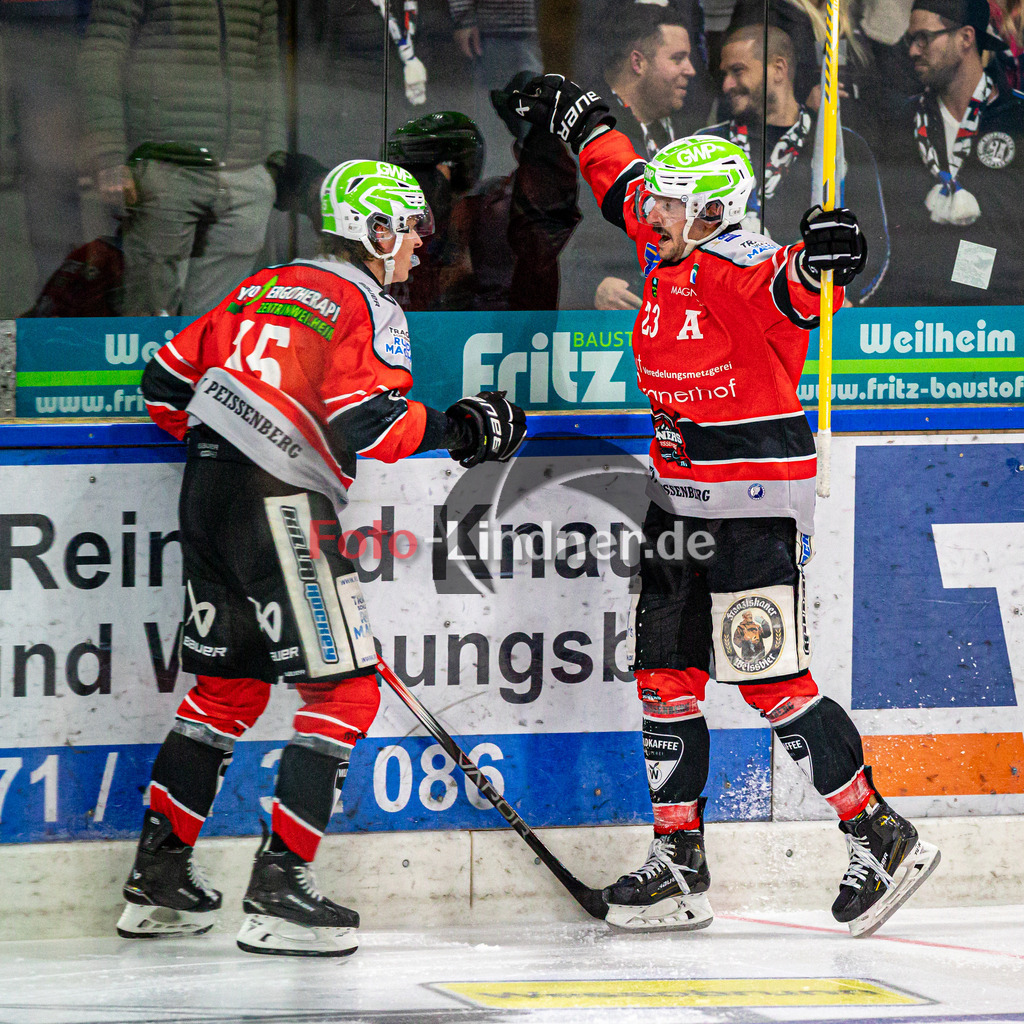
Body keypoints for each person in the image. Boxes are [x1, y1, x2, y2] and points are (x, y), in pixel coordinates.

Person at [502, 73, 940, 936]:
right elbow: (615, 174)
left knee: (772, 680)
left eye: (669, 207)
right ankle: (678, 863)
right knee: (664, 680)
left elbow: (801, 278)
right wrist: (578, 114)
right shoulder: (665, 234)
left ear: (711, 215)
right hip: (676, 504)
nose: (649, 216)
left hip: (750, 509)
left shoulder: (745, 268)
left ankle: (878, 831)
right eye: (657, 202)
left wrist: (827, 257)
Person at [120, 159, 527, 956]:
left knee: (226, 690)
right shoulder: (366, 301)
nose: (417, 245)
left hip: (207, 495)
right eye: (409, 228)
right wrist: (463, 431)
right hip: (284, 505)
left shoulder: (260, 286)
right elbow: (367, 423)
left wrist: (231, 442)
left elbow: (162, 383)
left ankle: (157, 883)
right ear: (374, 229)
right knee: (343, 694)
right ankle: (279, 891)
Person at [80, 0, 285, 316]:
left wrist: (273, 162)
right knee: (148, 316)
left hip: (244, 170)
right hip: (165, 163)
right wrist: (109, 157)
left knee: (216, 323)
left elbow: (269, 65)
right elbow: (103, 53)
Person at [705, 24, 890, 304]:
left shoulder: (840, 144)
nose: (726, 85)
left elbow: (875, 245)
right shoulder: (706, 146)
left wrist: (841, 297)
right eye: (725, 74)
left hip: (809, 318)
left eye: (737, 71)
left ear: (778, 69)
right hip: (729, 319)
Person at [876, 0, 1024, 306]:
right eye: (910, 40)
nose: (913, 51)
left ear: (966, 38)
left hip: (1004, 323)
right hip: (917, 322)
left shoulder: (1017, 118)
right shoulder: (900, 124)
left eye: (924, 38)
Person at [560, 2, 700, 310]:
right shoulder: (581, 131)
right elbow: (549, 232)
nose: (690, 70)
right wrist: (589, 286)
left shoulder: (687, 135)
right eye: (678, 58)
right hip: (598, 330)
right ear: (637, 62)